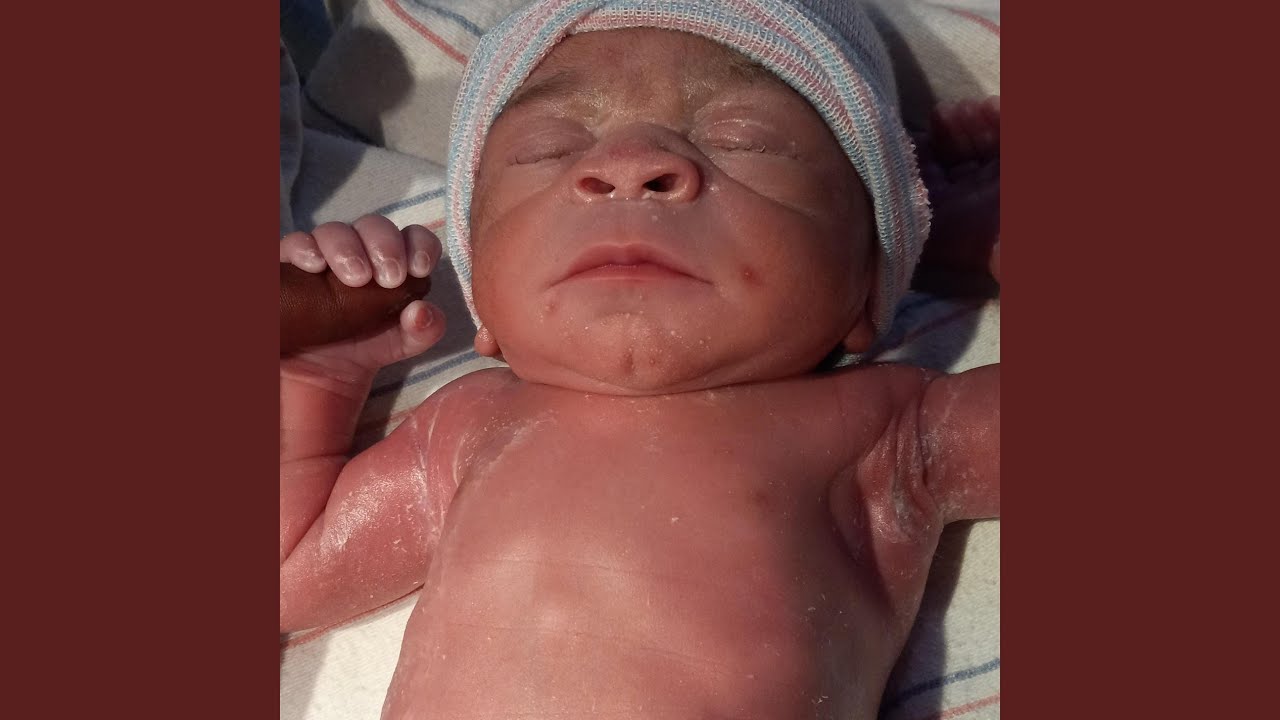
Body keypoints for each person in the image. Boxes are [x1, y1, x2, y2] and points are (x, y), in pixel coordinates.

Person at [279, 2, 999, 717]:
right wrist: (318, 376)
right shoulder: (466, 429)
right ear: (483, 297)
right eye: (548, 148)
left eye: (742, 139)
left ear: (870, 277)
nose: (627, 165)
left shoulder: (888, 427)